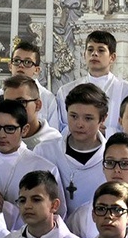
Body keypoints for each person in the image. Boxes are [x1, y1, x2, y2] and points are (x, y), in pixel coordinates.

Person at [0, 99, 66, 228]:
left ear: (24, 130)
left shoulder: (43, 168)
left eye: (9, 128)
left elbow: (57, 215)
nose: (1, 135)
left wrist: (7, 209)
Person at [67, 133, 128, 238]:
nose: (117, 169)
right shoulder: (82, 216)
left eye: (125, 163)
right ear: (103, 167)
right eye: (110, 163)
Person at [35, 83, 108, 215]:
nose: (79, 124)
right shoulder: (45, 151)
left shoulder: (111, 157)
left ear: (102, 119)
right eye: (73, 116)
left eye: (88, 118)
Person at [57, 30, 128, 136]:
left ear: (112, 57)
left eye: (101, 50)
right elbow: (61, 128)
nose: (94, 54)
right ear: (84, 55)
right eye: (90, 50)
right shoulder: (66, 90)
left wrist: (107, 132)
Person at [0, 41, 60, 130]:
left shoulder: (47, 98)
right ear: (10, 66)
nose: (21, 65)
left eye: (27, 62)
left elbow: (53, 134)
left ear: (37, 70)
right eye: (17, 61)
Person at [2, 74, 62, 150]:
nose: (13, 109)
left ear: (37, 105)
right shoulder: (0, 139)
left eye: (21, 102)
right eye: (8, 104)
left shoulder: (55, 142)